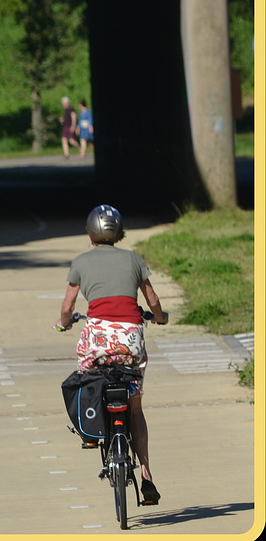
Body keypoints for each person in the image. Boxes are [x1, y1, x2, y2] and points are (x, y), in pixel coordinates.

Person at [55, 204, 167, 503]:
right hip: (130, 339)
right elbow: (152, 299)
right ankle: (145, 474)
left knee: (90, 378)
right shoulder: (133, 259)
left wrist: (63, 324)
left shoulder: (80, 261)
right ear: (119, 232)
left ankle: (95, 432)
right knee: (135, 407)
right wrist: (159, 317)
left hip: (98, 340)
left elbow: (67, 308)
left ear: (89, 231)